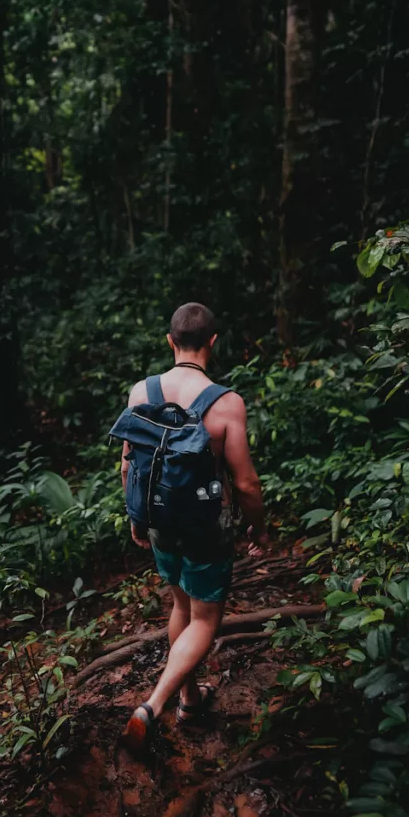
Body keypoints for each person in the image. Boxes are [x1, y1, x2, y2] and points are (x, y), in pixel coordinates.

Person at [120, 302, 267, 753]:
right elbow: (244, 481)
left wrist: (136, 518)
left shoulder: (139, 394)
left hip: (160, 519)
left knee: (180, 606)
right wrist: (258, 527)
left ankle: (189, 699)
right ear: (212, 343)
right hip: (207, 524)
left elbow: (127, 465)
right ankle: (154, 704)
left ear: (170, 341)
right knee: (205, 618)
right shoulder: (227, 403)